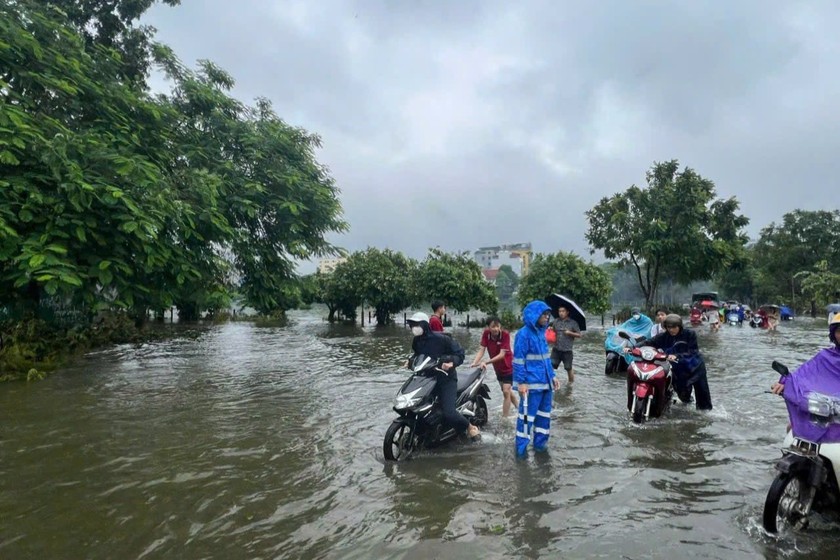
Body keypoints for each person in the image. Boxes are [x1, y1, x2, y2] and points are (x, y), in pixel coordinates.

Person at [407, 312, 479, 437]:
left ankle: (470, 427)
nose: (414, 327)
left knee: (449, 412)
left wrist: (451, 363)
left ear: (424, 325)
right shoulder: (417, 341)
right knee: (416, 405)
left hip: (446, 378)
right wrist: (410, 361)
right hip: (426, 378)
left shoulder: (442, 339)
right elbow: (418, 355)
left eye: (417, 324)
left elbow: (460, 354)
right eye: (412, 325)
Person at [770, 313, 840, 443]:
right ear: (833, 334)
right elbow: (803, 375)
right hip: (830, 415)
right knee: (791, 428)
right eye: (839, 330)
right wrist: (786, 384)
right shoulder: (824, 357)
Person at [629, 313, 713, 410]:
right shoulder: (663, 337)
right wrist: (633, 348)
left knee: (703, 395)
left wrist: (677, 356)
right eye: (668, 327)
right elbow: (648, 342)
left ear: (679, 326)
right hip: (678, 369)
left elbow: (693, 351)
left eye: (674, 327)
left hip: (695, 366)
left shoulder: (690, 334)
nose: (671, 330)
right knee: (683, 395)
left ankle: (704, 414)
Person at [513, 300, 560, 456]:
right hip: (531, 385)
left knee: (544, 418)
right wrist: (522, 382)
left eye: (548, 315)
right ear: (534, 315)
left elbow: (545, 358)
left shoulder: (541, 333)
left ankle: (540, 446)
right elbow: (519, 361)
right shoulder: (523, 334)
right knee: (526, 419)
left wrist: (553, 376)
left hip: (546, 384)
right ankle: (521, 451)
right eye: (544, 314)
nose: (547, 318)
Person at [470, 316, 518, 417]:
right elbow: (482, 350)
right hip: (498, 368)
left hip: (509, 366)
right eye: (493, 327)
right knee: (507, 391)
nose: (496, 329)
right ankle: (520, 408)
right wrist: (475, 362)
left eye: (498, 326)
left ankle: (505, 418)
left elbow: (502, 355)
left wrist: (485, 362)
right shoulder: (486, 334)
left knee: (506, 391)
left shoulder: (505, 334)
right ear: (488, 327)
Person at [551, 304, 581, 383]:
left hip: (567, 350)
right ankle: (550, 383)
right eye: (559, 311)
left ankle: (570, 386)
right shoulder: (555, 321)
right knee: (550, 366)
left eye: (563, 311)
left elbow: (579, 335)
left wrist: (570, 333)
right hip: (556, 349)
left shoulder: (573, 323)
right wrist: (550, 330)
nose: (561, 313)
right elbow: (552, 331)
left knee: (568, 368)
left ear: (567, 312)